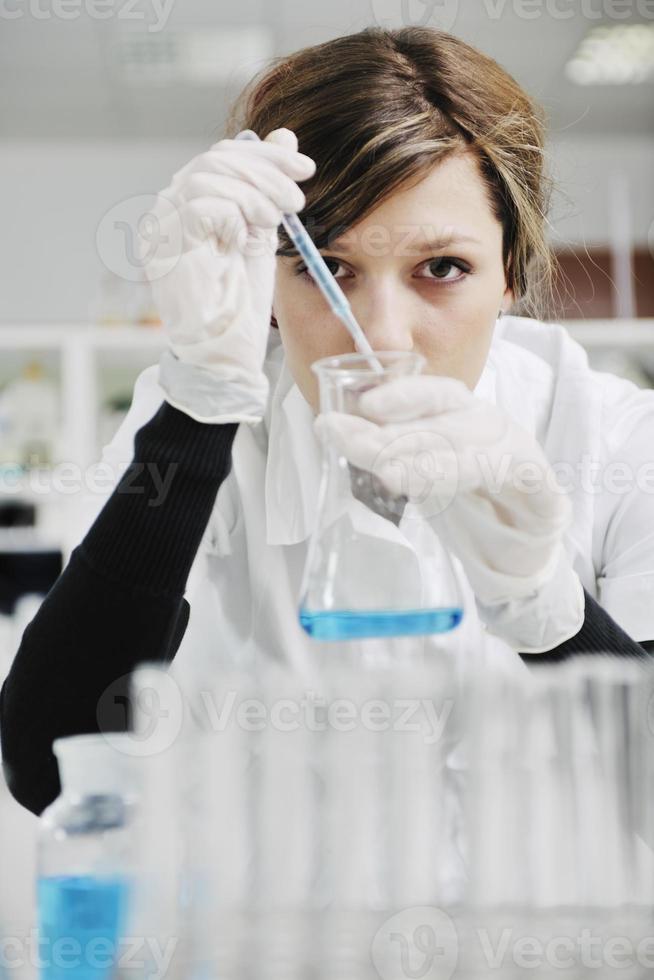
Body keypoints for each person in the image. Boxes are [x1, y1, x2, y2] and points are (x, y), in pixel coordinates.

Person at [1, 25, 653, 819]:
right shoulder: (195, 417)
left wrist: (548, 608)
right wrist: (202, 406)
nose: (381, 337)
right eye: (328, 269)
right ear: (268, 279)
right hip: (263, 942)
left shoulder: (618, 438)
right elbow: (49, 771)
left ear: (511, 273)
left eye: (441, 268)